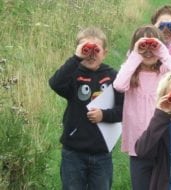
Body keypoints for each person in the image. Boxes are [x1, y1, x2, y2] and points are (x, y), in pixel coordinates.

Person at [49, 26, 124, 190]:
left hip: (102, 152)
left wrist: (104, 115)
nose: (90, 54)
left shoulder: (112, 76)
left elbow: (123, 110)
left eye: (95, 50)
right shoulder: (73, 74)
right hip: (73, 151)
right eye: (86, 49)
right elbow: (55, 83)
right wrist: (76, 58)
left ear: (105, 52)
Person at [112, 25, 171, 190]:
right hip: (138, 145)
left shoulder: (164, 72)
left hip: (164, 143)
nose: (148, 51)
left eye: (153, 46)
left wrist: (163, 52)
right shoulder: (130, 73)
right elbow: (119, 85)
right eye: (143, 47)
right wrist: (135, 55)